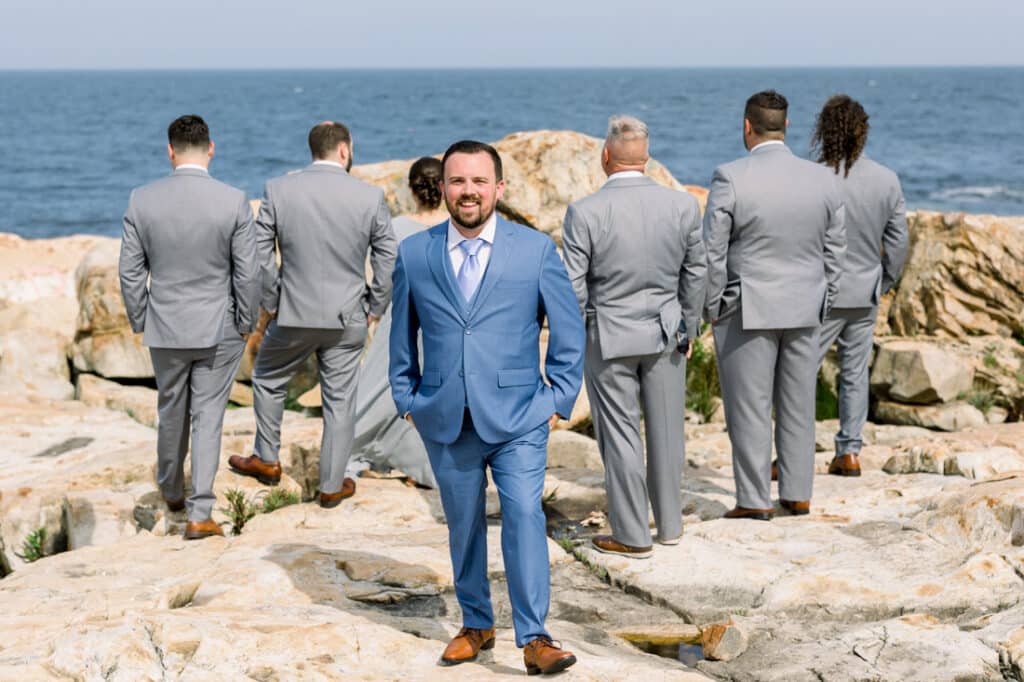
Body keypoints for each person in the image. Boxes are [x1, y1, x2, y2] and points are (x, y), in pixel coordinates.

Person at [389, 140, 584, 674]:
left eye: (479, 181)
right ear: (444, 188)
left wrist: (559, 398)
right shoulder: (415, 254)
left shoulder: (535, 250)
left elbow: (568, 329)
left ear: (499, 188)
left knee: (523, 513)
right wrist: (407, 399)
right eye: (457, 181)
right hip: (445, 416)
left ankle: (536, 636)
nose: (468, 191)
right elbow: (401, 336)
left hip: (521, 414)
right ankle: (476, 624)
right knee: (464, 524)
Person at [228, 121, 397, 508]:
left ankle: (267, 459)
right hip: (348, 316)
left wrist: (271, 302)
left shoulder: (278, 189)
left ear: (313, 150)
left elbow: (258, 253)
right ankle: (331, 485)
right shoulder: (369, 196)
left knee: (268, 378)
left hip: (293, 314)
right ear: (344, 149)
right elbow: (388, 256)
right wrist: (375, 305)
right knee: (340, 402)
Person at [561, 115, 706, 558]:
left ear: (606, 157)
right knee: (666, 430)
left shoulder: (585, 212)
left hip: (609, 334)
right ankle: (669, 526)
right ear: (647, 160)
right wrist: (689, 326)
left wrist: (579, 333)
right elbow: (697, 271)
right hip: (666, 331)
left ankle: (631, 534)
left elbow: (573, 284)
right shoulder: (682, 207)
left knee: (621, 433)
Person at [703, 90, 846, 520]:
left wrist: (712, 306)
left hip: (748, 306)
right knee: (799, 404)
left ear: (747, 126)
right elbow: (836, 252)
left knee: (749, 404)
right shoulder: (823, 180)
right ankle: (798, 495)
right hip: (806, 306)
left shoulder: (730, 176)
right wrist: (825, 300)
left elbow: (713, 253)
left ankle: (753, 499)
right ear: (787, 126)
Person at [119, 114, 259, 540]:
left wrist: (142, 318)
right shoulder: (233, 200)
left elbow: (129, 272)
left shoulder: (142, 199)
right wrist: (245, 322)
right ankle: (200, 513)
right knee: (209, 417)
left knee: (171, 409)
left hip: (165, 327)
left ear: (170, 150)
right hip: (219, 327)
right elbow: (248, 273)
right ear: (211, 148)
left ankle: (171, 489)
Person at [810, 94, 908, 477]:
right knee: (854, 374)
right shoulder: (887, 179)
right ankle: (849, 452)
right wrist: (884, 280)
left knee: (800, 374)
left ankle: (793, 452)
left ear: (823, 131)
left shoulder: (812, 177)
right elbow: (899, 242)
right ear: (862, 132)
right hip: (865, 290)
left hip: (818, 293)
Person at [350, 156, 447, 488]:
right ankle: (426, 463)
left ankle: (356, 447)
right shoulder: (457, 228)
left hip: (402, 317)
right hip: (442, 324)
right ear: (444, 187)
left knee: (378, 387)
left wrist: (374, 313)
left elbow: (385, 280)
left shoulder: (397, 228)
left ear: (411, 189)